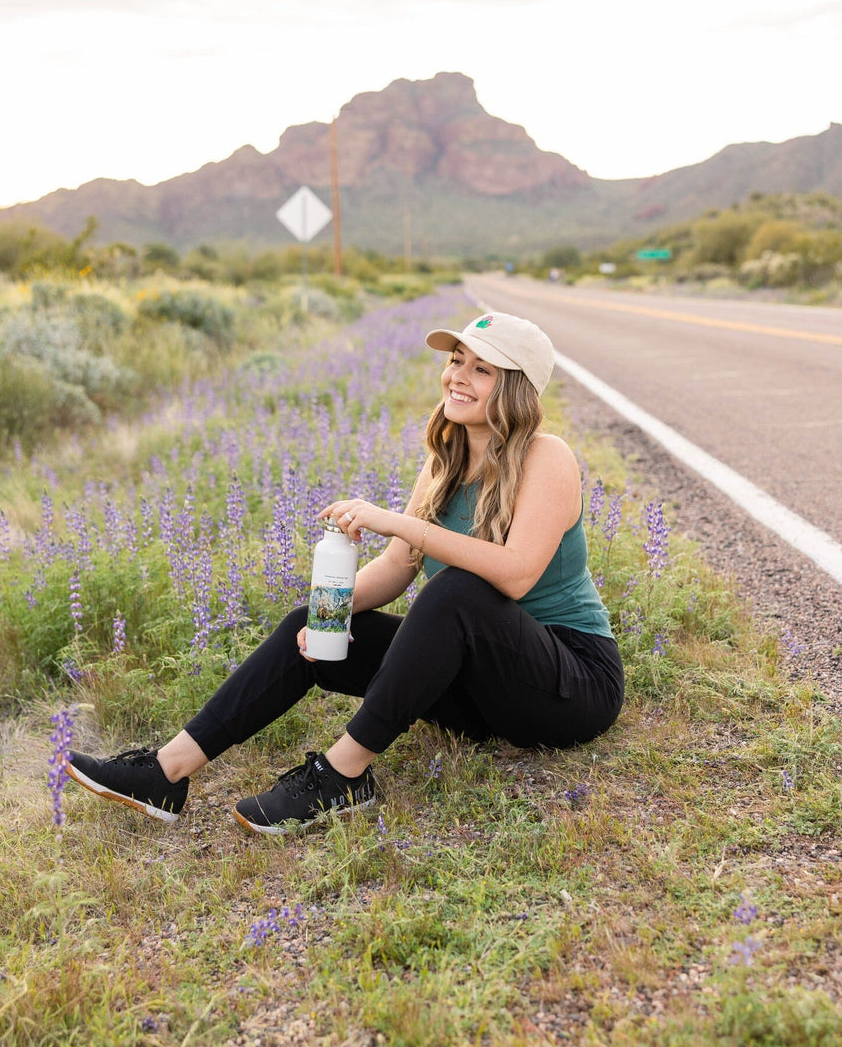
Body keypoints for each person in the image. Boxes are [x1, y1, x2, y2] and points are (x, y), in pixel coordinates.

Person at [65, 311, 624, 834]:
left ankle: (342, 778)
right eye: (456, 361)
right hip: (481, 694)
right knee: (312, 619)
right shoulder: (445, 460)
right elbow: (397, 569)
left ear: (517, 387)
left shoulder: (546, 457)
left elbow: (517, 575)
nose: (458, 376)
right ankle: (165, 773)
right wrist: (332, 616)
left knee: (458, 591)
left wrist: (397, 523)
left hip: (569, 686)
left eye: (481, 369)